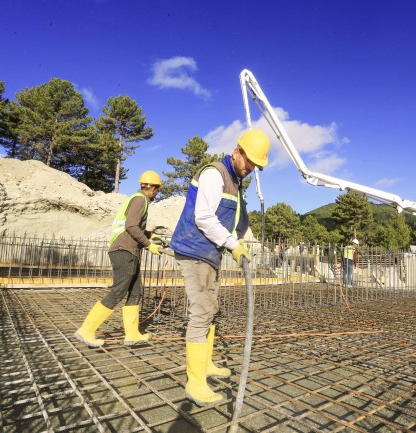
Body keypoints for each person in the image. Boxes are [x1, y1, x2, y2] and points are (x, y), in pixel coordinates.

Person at [169, 129, 270, 406]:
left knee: (211, 308)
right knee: (201, 312)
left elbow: (233, 220)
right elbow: (203, 217)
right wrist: (232, 244)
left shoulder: (235, 182)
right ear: (237, 152)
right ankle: (195, 383)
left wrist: (238, 240)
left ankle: (206, 364)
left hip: (209, 253)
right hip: (194, 250)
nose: (250, 168)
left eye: (255, 165)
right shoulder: (215, 174)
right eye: (249, 161)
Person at [74, 170, 164, 347]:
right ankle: (86, 330)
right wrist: (148, 244)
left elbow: (131, 226)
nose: (156, 193)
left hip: (129, 250)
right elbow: (131, 226)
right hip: (124, 250)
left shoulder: (136, 199)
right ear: (153, 188)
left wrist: (149, 235)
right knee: (119, 290)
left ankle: (132, 334)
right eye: (157, 190)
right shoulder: (140, 200)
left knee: (136, 291)